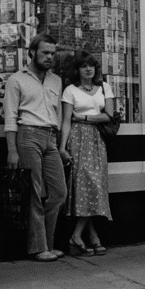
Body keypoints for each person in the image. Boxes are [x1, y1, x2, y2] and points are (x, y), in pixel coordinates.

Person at [3, 34, 67, 262]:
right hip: (27, 134)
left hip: (50, 137)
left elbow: (58, 113)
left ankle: (47, 243)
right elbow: (10, 116)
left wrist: (60, 145)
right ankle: (38, 248)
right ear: (32, 52)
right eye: (45, 53)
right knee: (34, 193)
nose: (50, 57)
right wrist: (12, 150)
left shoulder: (56, 80)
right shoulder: (16, 80)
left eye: (52, 53)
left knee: (59, 192)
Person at [59, 52, 116, 256]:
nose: (88, 69)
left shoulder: (104, 88)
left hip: (97, 140)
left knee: (96, 185)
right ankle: (91, 237)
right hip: (78, 140)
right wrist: (62, 147)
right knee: (84, 186)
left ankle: (79, 235)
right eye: (83, 66)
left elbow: (108, 116)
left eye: (91, 65)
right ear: (77, 70)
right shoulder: (70, 91)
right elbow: (66, 120)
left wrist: (82, 117)